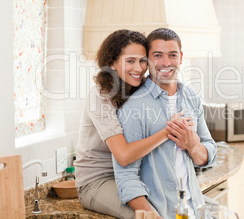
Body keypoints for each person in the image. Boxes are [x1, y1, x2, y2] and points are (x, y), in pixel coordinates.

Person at [74, 29, 192, 218]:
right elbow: (123, 155)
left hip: (136, 177)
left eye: (142, 60)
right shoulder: (101, 96)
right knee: (150, 216)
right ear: (112, 63)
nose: (138, 68)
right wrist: (168, 130)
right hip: (99, 181)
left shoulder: (139, 88)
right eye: (130, 61)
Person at [114, 28, 218, 218]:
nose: (165, 63)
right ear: (147, 60)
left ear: (181, 57)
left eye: (172, 55)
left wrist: (193, 146)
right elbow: (126, 176)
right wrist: (150, 213)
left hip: (195, 209)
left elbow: (209, 152)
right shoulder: (133, 107)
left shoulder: (190, 97)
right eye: (157, 55)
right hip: (163, 211)